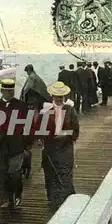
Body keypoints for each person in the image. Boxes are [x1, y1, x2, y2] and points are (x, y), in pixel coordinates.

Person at [0, 79, 31, 209]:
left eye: (11, 91)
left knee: (15, 174)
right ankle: (6, 199)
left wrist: (27, 140)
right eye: (7, 91)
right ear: (2, 91)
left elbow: (29, 124)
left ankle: (18, 196)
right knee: (2, 173)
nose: (9, 93)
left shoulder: (21, 105)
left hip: (16, 144)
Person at [34, 81, 80, 211]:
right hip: (50, 149)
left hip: (65, 148)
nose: (59, 99)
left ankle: (67, 200)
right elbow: (39, 131)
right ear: (52, 96)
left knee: (65, 174)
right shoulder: (45, 111)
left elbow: (76, 130)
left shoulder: (70, 110)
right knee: (51, 175)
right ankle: (53, 200)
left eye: (61, 96)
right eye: (56, 96)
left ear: (65, 96)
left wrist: (63, 134)